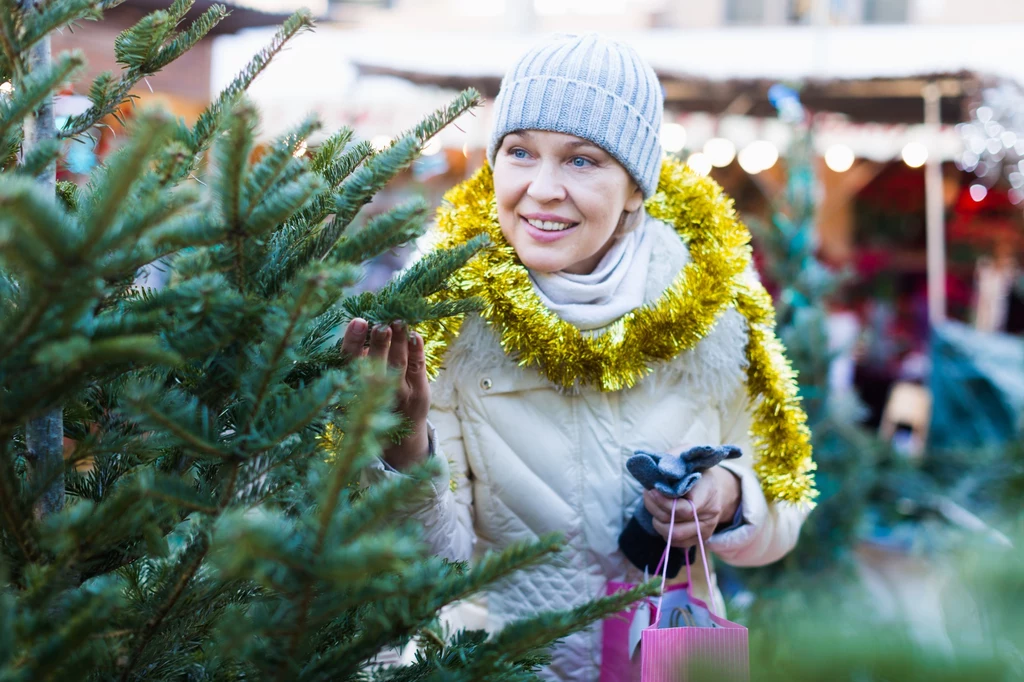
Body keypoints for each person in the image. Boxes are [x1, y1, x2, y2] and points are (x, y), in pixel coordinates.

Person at [345, 33, 815, 681]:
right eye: (519, 152)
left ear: (634, 187)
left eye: (582, 161)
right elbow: (429, 564)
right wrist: (402, 451)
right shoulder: (446, 309)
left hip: (670, 662)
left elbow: (786, 502)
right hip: (501, 667)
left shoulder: (713, 302)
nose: (541, 188)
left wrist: (727, 496)